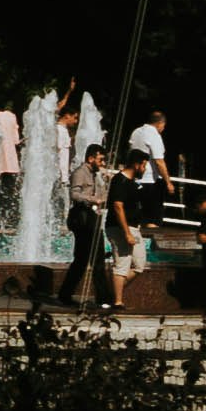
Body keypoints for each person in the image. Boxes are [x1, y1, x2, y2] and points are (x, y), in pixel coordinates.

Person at [61, 132, 119, 314]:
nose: (102, 163)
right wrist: (92, 199)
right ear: (91, 158)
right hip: (84, 220)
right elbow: (74, 194)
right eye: (100, 160)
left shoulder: (95, 175)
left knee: (81, 260)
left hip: (91, 219)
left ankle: (65, 294)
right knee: (97, 259)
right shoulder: (81, 173)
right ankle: (103, 299)